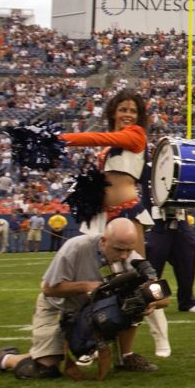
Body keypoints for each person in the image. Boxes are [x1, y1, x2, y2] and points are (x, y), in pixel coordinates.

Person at [0, 218, 167, 378]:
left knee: (134, 302)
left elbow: (162, 297)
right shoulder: (76, 247)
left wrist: (152, 304)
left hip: (94, 314)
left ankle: (125, 357)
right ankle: (4, 358)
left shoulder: (132, 259)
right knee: (44, 369)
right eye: (118, 249)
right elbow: (48, 289)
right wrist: (86, 286)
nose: (124, 255)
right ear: (103, 241)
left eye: (128, 249)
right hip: (59, 307)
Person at [57, 89, 168, 356]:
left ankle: (159, 337)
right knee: (100, 282)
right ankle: (94, 339)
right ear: (113, 113)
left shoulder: (135, 135)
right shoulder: (110, 147)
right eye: (123, 110)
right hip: (102, 218)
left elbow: (96, 137)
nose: (128, 115)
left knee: (139, 280)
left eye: (132, 110)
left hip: (128, 214)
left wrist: (58, 139)